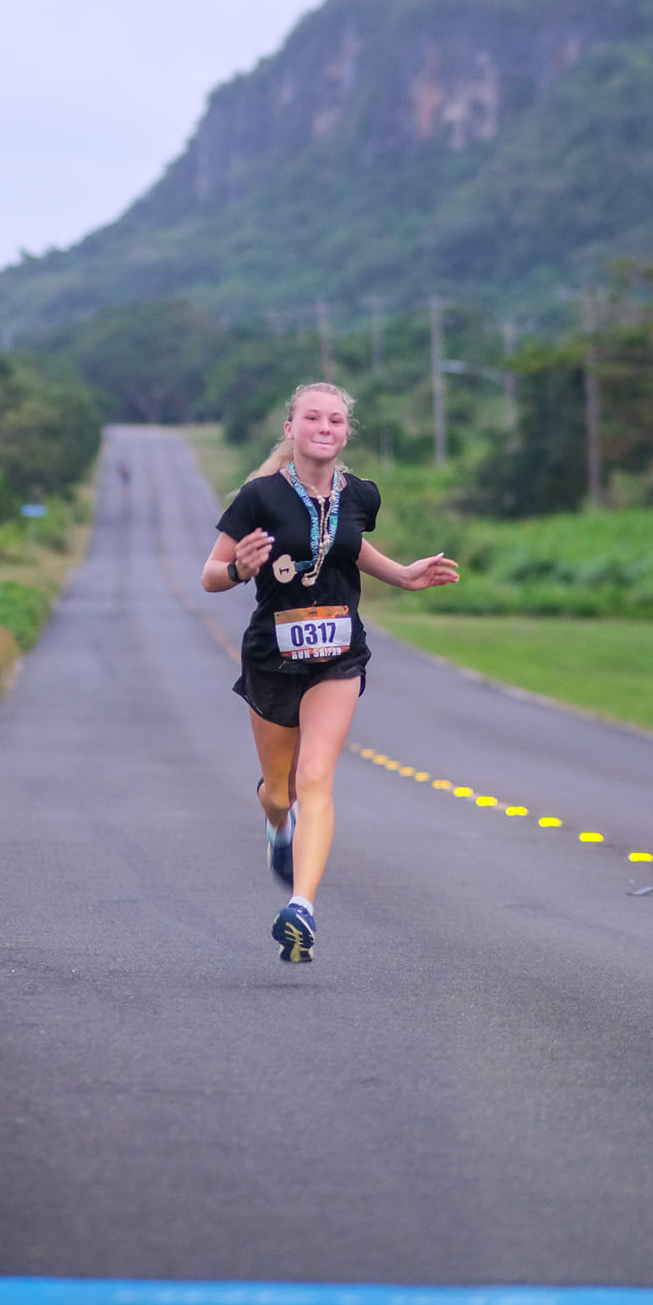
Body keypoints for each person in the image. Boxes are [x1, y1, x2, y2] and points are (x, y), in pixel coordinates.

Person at [201, 381, 458, 963]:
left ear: (346, 433)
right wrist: (239, 569)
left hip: (339, 654)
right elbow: (210, 575)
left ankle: (302, 908)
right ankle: (276, 827)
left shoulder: (362, 494)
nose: (324, 428)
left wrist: (404, 574)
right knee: (280, 790)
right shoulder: (259, 497)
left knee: (316, 778)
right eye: (312, 418)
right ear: (290, 429)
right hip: (273, 657)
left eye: (336, 420)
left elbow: (348, 546)